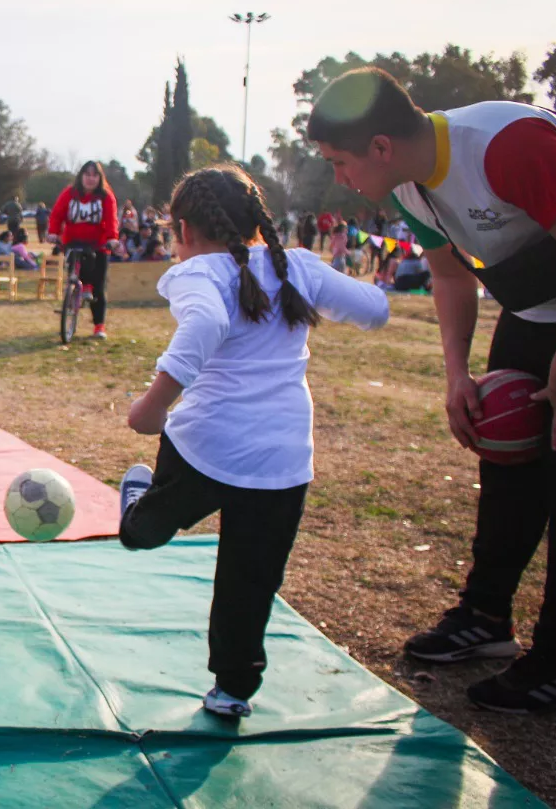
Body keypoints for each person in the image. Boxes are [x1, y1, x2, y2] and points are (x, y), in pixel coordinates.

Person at [309, 66, 556, 713]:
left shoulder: (507, 146)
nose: (339, 178)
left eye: (340, 161)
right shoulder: (410, 186)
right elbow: (452, 277)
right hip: (533, 310)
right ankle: (486, 615)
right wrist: (458, 374)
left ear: (381, 146)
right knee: (506, 461)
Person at [118, 164, 389, 717]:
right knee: (251, 580)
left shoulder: (200, 273)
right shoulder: (298, 267)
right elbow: (376, 309)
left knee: (144, 533)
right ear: (257, 221)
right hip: (281, 460)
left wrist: (153, 405)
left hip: (206, 449)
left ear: (184, 230)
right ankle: (233, 689)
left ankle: (141, 513)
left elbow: (204, 325)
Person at [48, 160, 119, 338]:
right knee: (75, 273)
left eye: (94, 175)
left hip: (98, 245)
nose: (90, 179)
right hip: (73, 242)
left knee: (98, 287)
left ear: (100, 178)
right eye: (87, 174)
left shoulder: (106, 196)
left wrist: (112, 238)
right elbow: (57, 214)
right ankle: (74, 298)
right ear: (81, 176)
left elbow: (111, 219)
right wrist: (53, 233)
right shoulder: (69, 194)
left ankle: (99, 326)